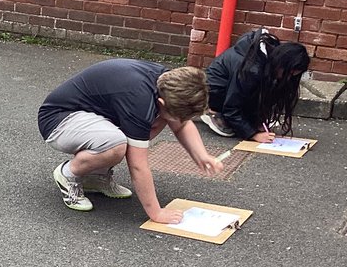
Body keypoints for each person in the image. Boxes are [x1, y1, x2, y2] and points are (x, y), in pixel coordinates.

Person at [37, 61, 222, 223]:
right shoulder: (139, 100)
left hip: (90, 116)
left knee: (151, 125)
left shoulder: (168, 82)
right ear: (162, 102)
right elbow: (138, 166)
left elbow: (181, 125)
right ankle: (68, 174)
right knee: (116, 145)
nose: (180, 120)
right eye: (178, 115)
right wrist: (156, 212)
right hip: (58, 121)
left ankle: (96, 176)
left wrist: (202, 155)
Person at [200, 29, 312, 142]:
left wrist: (258, 121)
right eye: (289, 73)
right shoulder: (251, 69)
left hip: (229, 87)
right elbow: (232, 107)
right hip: (214, 92)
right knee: (234, 113)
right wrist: (253, 134)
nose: (288, 78)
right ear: (282, 63)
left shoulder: (270, 58)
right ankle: (214, 112)